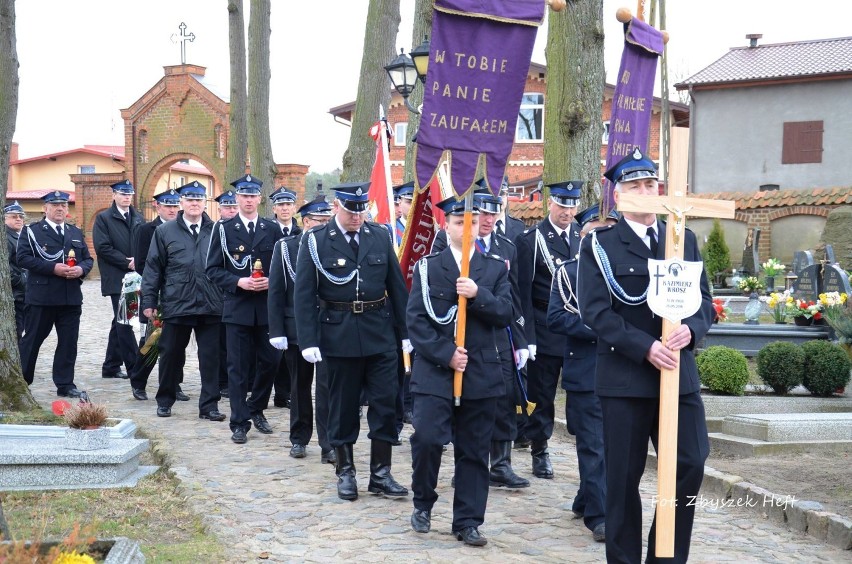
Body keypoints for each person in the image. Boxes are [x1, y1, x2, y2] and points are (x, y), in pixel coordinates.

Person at [577, 148, 713, 563]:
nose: (646, 192)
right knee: (622, 479)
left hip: (678, 375)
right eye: (635, 186)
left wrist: (693, 329)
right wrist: (645, 347)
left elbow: (704, 300)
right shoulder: (600, 245)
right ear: (618, 197)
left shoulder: (681, 237)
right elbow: (595, 312)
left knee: (691, 461)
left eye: (651, 185)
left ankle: (666, 557)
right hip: (626, 379)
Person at [407, 196, 514, 546]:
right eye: (457, 222)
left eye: (471, 222)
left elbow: (505, 313)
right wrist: (447, 355)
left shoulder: (494, 268)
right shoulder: (428, 268)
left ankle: (467, 520)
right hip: (437, 371)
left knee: (474, 450)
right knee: (426, 438)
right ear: (446, 226)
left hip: (481, 371)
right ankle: (423, 501)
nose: (464, 229)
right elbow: (417, 322)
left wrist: (477, 293)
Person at [294, 181, 410, 501]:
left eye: (361, 210)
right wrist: (308, 339)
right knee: (343, 406)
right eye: (350, 210)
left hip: (380, 331)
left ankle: (381, 473)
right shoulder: (317, 241)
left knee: (386, 403)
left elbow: (396, 287)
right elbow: (304, 294)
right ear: (336, 207)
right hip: (338, 332)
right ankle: (345, 471)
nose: (357, 216)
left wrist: (406, 334)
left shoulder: (379, 236)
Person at [431, 189, 530, 489]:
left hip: (499, 338)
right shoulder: (444, 243)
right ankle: (467, 461)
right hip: (458, 338)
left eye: (491, 214)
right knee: (463, 406)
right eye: (481, 214)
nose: (486, 220)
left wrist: (524, 340)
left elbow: (516, 298)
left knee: (503, 401)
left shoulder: (506, 247)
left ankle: (501, 463)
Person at [546, 203, 618, 544]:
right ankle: (600, 516)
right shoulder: (567, 272)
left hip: (622, 371)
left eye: (609, 231)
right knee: (593, 445)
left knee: (612, 444)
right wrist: (602, 329)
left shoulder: (628, 271)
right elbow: (556, 318)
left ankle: (587, 495)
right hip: (585, 370)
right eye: (595, 232)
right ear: (582, 235)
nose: (602, 238)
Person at [515, 181, 583, 478]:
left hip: (578, 328)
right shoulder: (532, 240)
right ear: (550, 204)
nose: (567, 211)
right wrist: (527, 336)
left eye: (572, 205)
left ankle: (586, 445)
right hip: (545, 325)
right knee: (541, 392)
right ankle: (539, 448)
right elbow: (522, 293)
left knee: (581, 392)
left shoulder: (583, 238)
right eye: (562, 205)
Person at [206, 174, 280, 444]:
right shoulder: (224, 230)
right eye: (244, 196)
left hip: (266, 307)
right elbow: (212, 269)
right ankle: (239, 422)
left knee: (272, 361)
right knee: (237, 367)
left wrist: (272, 281)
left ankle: (256, 406)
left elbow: (282, 268)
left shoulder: (272, 229)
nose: (248, 200)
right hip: (237, 306)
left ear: (260, 199)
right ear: (236, 199)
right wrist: (238, 281)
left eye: (253, 196)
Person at [142, 181, 225, 421]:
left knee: (210, 358)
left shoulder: (217, 230)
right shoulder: (165, 231)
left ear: (205, 203)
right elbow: (153, 269)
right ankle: (165, 400)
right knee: (171, 355)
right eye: (190, 200)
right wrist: (149, 300)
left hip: (211, 303)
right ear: (182, 203)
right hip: (177, 302)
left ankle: (209, 405)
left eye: (199, 200)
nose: (194, 204)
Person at [268, 196, 335, 463]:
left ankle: (328, 443)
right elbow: (276, 291)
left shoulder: (334, 246)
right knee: (299, 386)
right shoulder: (286, 247)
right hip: (295, 328)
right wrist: (276, 331)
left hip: (329, 327)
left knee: (328, 387)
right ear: (306, 222)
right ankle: (299, 437)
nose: (326, 226)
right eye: (321, 221)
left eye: (328, 221)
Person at [17, 191, 94, 397]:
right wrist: (53, 268)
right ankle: (23, 381)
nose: (60, 209)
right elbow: (23, 258)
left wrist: (81, 270)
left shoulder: (74, 232)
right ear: (46, 208)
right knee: (32, 340)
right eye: (55, 205)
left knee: (68, 342)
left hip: (70, 298)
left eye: (64, 205)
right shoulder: (32, 231)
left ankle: (65, 384)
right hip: (42, 297)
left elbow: (87, 259)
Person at [128, 188, 182, 401]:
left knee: (177, 342)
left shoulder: (181, 228)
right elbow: (142, 264)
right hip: (159, 293)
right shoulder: (146, 230)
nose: (171, 209)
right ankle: (138, 380)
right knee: (153, 339)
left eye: (174, 205)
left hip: (180, 294)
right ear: (157, 206)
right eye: (167, 205)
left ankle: (174, 383)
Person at [92, 179, 144, 380]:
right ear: (114, 195)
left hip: (136, 277)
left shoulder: (138, 217)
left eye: (129, 194)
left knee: (120, 319)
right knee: (127, 321)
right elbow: (102, 248)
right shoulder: (104, 218)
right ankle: (133, 368)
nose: (126, 197)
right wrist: (127, 262)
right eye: (123, 194)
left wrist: (138, 261)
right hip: (117, 278)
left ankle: (111, 365)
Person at [268, 186, 301, 409]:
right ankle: (275, 392)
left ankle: (285, 393)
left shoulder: (301, 233)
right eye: (281, 205)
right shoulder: (267, 231)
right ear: (274, 208)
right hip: (272, 294)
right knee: (275, 353)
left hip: (295, 298)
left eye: (288, 204)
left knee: (292, 350)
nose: (285, 208)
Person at [214, 189, 239, 398]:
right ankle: (222, 381)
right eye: (227, 206)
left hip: (235, 294)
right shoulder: (216, 229)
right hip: (215, 294)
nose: (231, 210)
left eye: (233, 206)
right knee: (221, 343)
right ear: (219, 209)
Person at [5, 201, 28, 340]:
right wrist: (22, 280)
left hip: (23, 294)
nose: (19, 219)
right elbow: (4, 267)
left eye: (21, 216)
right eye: (14, 216)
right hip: (15, 294)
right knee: (16, 332)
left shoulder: (21, 236)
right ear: (4, 218)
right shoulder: (6, 238)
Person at [393, 181, 414, 246]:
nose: (413, 206)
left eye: (416, 202)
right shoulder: (391, 229)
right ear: (400, 202)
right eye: (409, 202)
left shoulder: (428, 229)